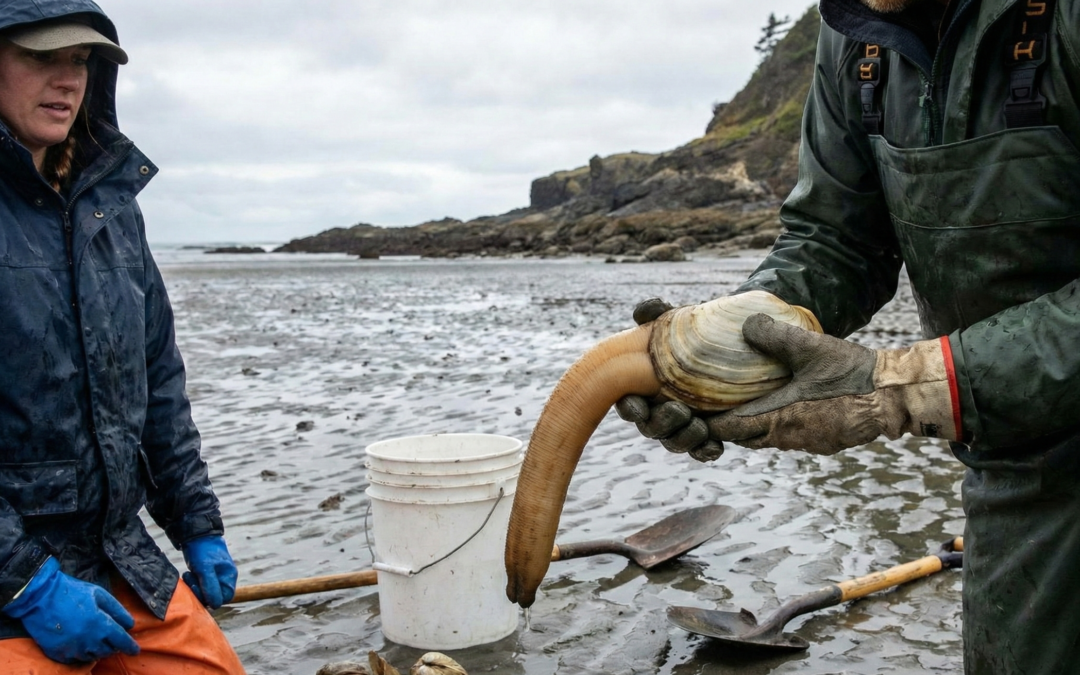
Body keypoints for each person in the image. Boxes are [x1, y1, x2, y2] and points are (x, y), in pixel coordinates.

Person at [617, 0, 1080, 672]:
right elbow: (837, 238)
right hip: (1014, 456)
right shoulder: (855, 38)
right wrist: (726, 349)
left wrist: (900, 389)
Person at [0, 3, 246, 673]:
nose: (66, 80)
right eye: (40, 57)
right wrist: (26, 583)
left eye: (79, 61)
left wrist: (197, 525)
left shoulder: (113, 209)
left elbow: (158, 384)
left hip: (115, 557)